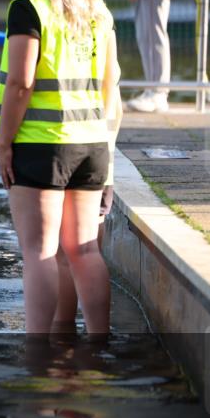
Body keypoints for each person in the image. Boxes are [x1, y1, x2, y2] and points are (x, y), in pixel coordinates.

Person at [0, 0, 121, 337]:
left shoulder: (28, 8)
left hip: (42, 144)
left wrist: (4, 144)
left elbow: (20, 83)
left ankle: (37, 350)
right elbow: (111, 87)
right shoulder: (97, 10)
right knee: (84, 250)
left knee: (39, 251)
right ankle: (97, 341)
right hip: (92, 144)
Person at [52, 91, 123, 334]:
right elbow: (117, 107)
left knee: (63, 255)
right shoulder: (104, 54)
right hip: (101, 161)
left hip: (66, 153)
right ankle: (98, 342)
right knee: (90, 252)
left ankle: (62, 336)